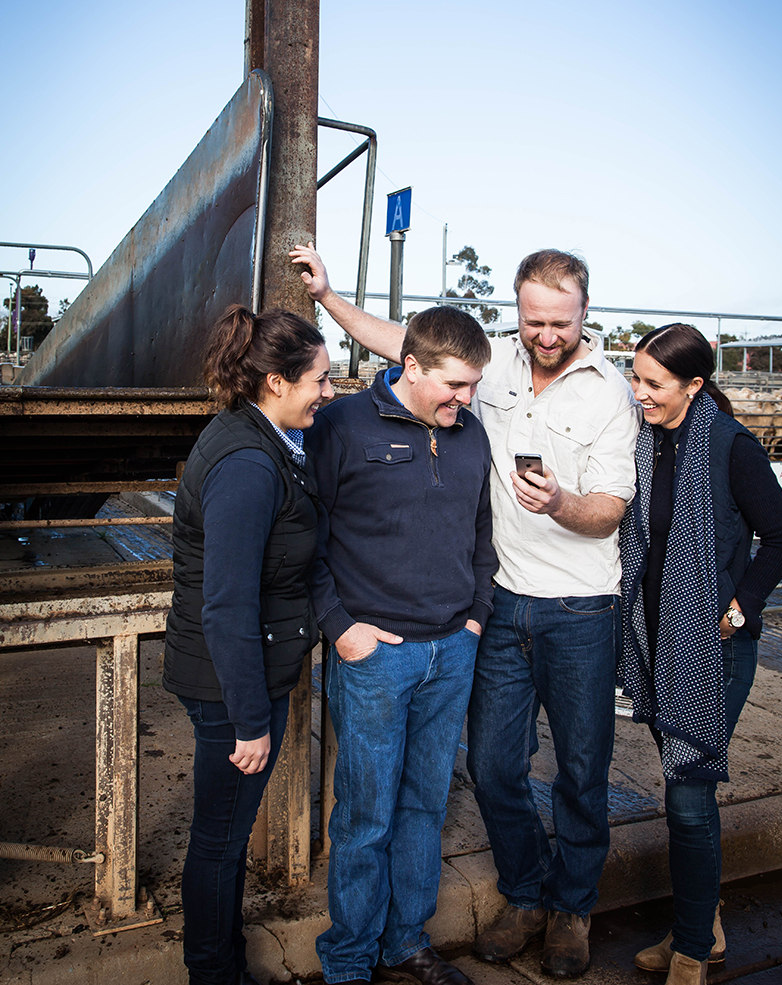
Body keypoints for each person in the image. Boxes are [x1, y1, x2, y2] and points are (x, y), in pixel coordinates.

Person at [290, 243, 639, 978]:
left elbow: (597, 511)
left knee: (571, 771)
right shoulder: (458, 381)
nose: (546, 333)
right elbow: (403, 341)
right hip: (449, 628)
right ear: (519, 313)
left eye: (561, 321)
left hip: (564, 610)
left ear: (584, 314)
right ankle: (483, 908)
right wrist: (327, 298)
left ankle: (558, 910)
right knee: (461, 778)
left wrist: (556, 511)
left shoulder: (606, 390)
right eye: (534, 319)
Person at [305, 305, 497, 985]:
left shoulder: (471, 435)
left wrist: (476, 616)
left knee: (425, 804)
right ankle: (350, 959)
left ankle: (406, 941)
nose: (467, 400)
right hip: (376, 654)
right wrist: (341, 626)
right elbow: (306, 534)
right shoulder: (341, 426)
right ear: (410, 367)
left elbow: (482, 533)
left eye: (475, 385)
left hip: (453, 649)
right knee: (365, 811)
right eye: (455, 385)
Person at [618, 324, 782, 985]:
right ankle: (706, 916)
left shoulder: (730, 446)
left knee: (688, 793)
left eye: (652, 384)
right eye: (635, 377)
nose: (638, 393)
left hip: (713, 646)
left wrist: (741, 606)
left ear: (694, 385)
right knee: (680, 790)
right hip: (661, 638)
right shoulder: (649, 441)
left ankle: (693, 946)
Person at [162, 305, 334, 985]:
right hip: (230, 688)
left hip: (235, 676)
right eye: (319, 379)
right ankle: (213, 971)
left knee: (224, 839)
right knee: (218, 843)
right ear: (275, 382)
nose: (328, 390)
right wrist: (248, 721)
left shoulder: (258, 440)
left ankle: (222, 965)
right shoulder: (247, 465)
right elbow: (228, 603)